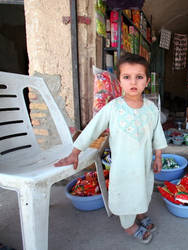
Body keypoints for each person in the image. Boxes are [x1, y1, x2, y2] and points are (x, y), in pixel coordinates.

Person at [55, 53, 167, 244]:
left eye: (139, 77)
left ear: (147, 81)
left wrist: (158, 156)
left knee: (143, 190)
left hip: (143, 165)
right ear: (119, 82)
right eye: (127, 77)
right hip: (123, 168)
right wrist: (75, 152)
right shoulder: (113, 108)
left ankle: (140, 213)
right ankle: (128, 225)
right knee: (126, 194)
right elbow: (92, 130)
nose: (133, 82)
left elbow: (158, 134)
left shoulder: (151, 109)